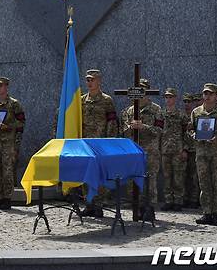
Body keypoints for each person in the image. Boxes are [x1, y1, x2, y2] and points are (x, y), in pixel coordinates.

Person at [190, 83, 217, 226]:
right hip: (201, 153)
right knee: (204, 183)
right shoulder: (196, 112)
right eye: (205, 93)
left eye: (210, 94)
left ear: (216, 96)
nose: (207, 96)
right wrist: (194, 134)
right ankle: (206, 212)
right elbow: (189, 129)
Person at [80, 68, 118, 217]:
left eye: (92, 80)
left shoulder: (106, 100)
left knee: (99, 174)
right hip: (85, 144)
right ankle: (88, 203)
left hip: (101, 144)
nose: (89, 83)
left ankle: (99, 205)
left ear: (99, 81)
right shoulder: (82, 100)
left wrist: (110, 142)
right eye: (87, 80)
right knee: (86, 174)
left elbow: (112, 122)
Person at [121, 79, 163, 214]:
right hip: (133, 151)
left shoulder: (156, 109)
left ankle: (149, 209)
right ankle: (136, 207)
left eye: (142, 90)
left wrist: (143, 127)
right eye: (137, 90)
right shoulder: (129, 111)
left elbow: (160, 130)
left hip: (150, 152)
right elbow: (122, 131)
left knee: (149, 181)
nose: (139, 93)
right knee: (133, 180)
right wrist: (130, 127)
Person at [0, 76, 25, 210]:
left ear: (6, 87)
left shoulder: (14, 104)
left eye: (1, 85)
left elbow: (21, 122)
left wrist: (7, 126)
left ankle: (7, 198)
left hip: (7, 143)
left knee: (7, 171)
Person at [159, 88, 189, 211]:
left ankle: (178, 201)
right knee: (167, 177)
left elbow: (187, 132)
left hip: (178, 150)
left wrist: (185, 149)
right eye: (166, 97)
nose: (168, 99)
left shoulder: (181, 115)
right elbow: (158, 132)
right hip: (165, 150)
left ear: (175, 98)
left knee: (178, 177)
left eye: (170, 97)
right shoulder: (161, 114)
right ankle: (168, 200)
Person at [182, 93, 200, 208]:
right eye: (185, 102)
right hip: (185, 149)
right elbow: (180, 135)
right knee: (184, 175)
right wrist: (183, 148)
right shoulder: (182, 116)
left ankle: (194, 199)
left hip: (196, 149)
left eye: (190, 102)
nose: (187, 104)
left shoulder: (198, 116)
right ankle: (185, 198)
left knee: (195, 177)